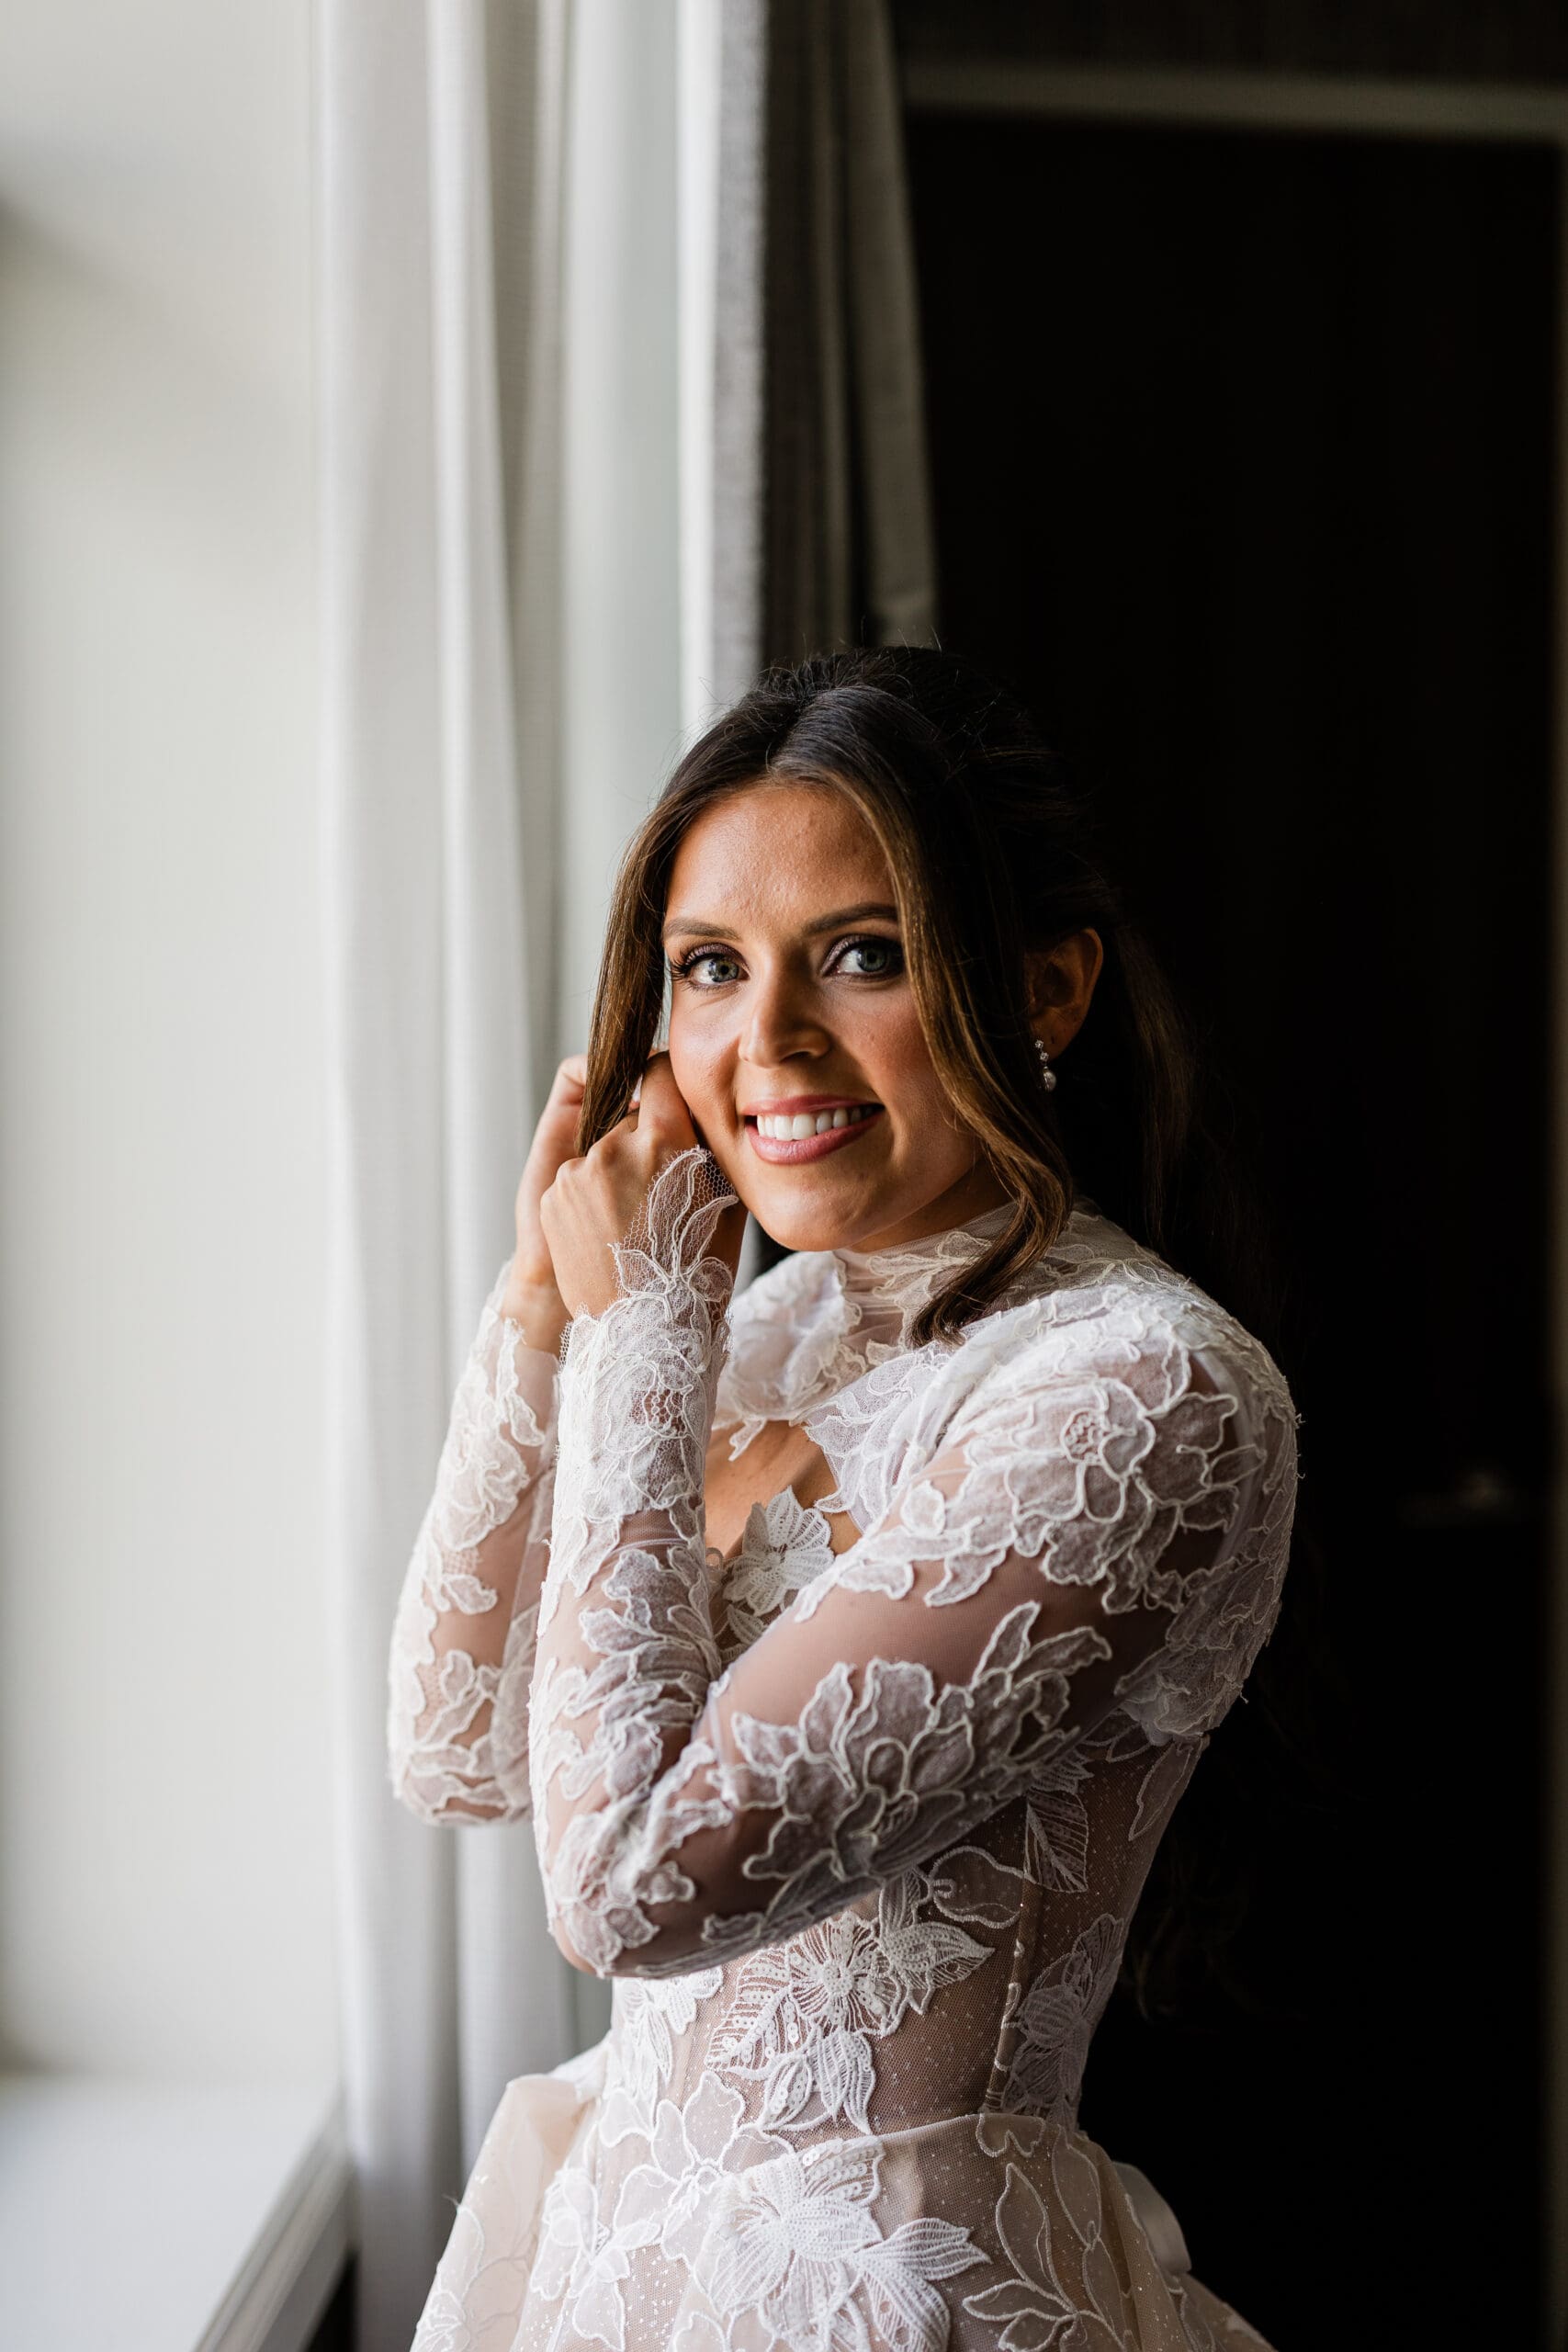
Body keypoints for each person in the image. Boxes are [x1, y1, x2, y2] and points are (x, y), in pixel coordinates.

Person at [387, 647, 1299, 2352]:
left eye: (860, 956)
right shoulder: (773, 1326)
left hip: (885, 2292)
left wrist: (645, 1329)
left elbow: (626, 1890)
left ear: (1045, 986)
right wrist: (537, 1310)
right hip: (614, 2267)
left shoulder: (1143, 1392)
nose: (765, 1042)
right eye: (707, 970)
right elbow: (457, 1751)